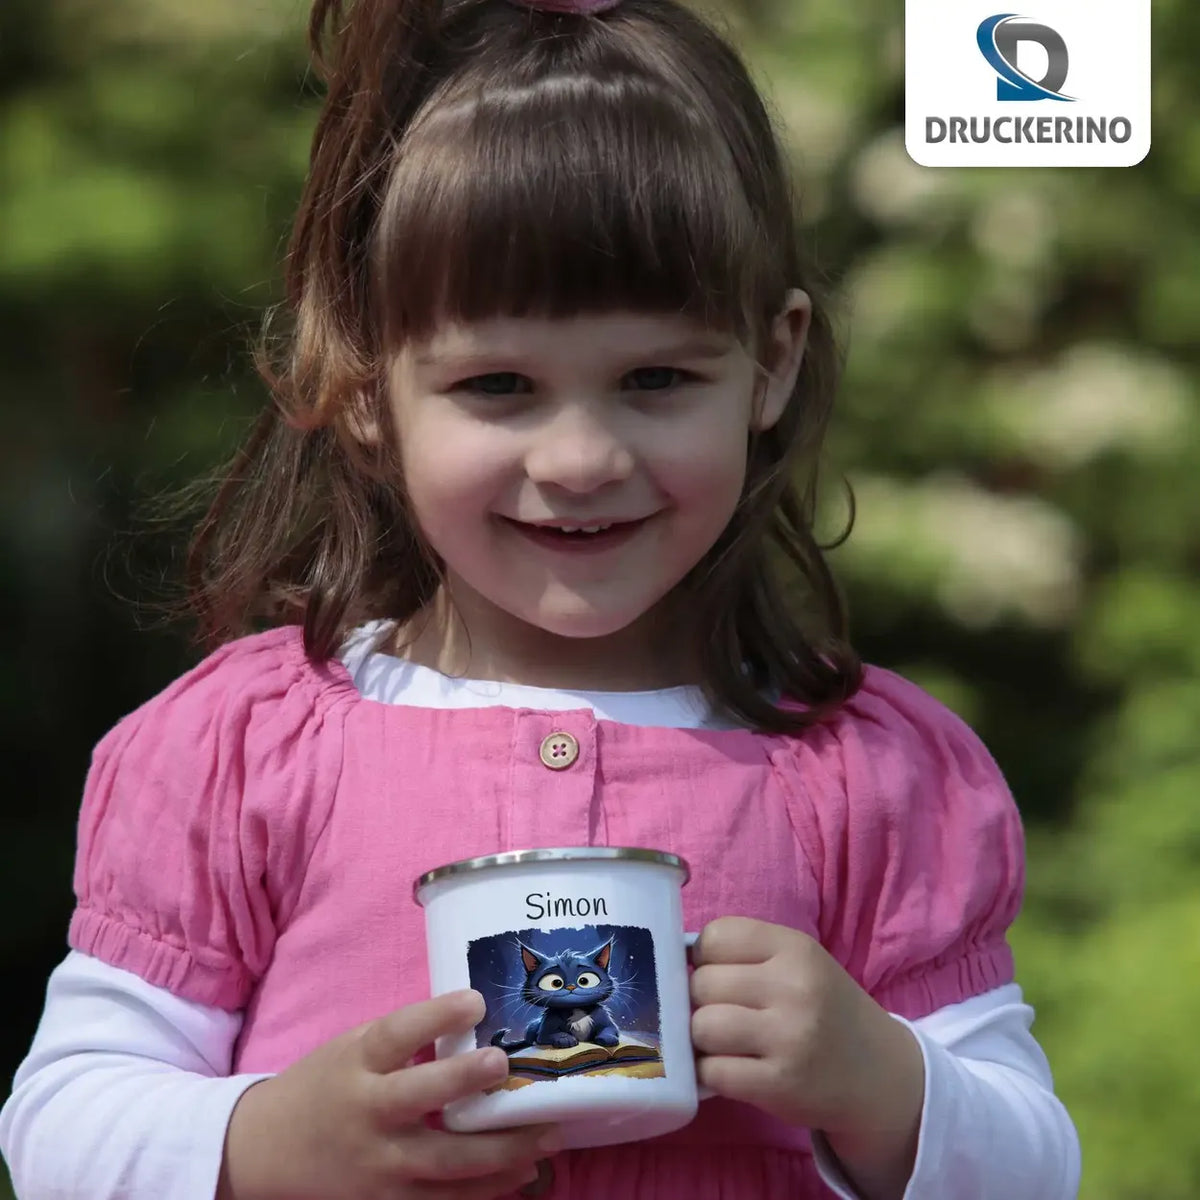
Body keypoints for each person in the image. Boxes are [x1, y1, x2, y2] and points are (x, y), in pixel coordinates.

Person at [0, 0, 1081, 1196]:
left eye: (656, 378)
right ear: (363, 380)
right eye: (500, 384)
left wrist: (883, 1082)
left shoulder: (872, 780)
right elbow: (61, 1122)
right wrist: (273, 1143)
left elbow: (1033, 1163)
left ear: (771, 364)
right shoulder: (243, 752)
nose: (580, 459)